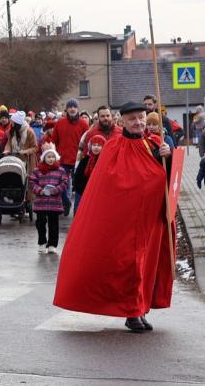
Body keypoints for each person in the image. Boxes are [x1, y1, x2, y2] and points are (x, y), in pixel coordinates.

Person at [52, 100, 175, 332]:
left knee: (145, 265)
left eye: (140, 118)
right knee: (128, 265)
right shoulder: (114, 147)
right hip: (125, 222)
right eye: (132, 119)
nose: (138, 122)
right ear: (123, 121)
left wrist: (167, 157)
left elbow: (167, 178)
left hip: (150, 219)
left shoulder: (155, 144)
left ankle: (140, 308)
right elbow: (112, 184)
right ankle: (132, 312)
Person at [29, 144, 70, 254]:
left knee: (53, 224)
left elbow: (65, 182)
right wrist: (40, 190)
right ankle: (42, 242)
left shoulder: (60, 170)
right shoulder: (37, 170)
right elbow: (32, 182)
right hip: (40, 202)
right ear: (44, 158)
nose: (51, 159)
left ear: (56, 158)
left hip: (54, 202)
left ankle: (52, 244)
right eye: (48, 157)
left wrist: (56, 189)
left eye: (53, 157)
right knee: (40, 223)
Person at [50, 98, 88, 214]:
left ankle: (78, 210)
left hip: (78, 160)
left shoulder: (83, 123)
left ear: (77, 109)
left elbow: (87, 141)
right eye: (70, 107)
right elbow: (54, 140)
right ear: (66, 109)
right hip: (63, 159)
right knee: (61, 184)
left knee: (78, 186)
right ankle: (66, 203)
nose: (72, 109)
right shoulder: (60, 123)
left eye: (74, 107)